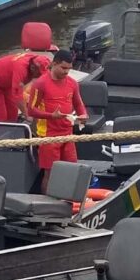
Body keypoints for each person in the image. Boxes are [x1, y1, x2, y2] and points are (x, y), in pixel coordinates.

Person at [27, 49, 88, 193]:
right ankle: (46, 205)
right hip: (48, 135)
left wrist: (83, 115)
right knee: (50, 173)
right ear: (54, 64)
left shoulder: (72, 83)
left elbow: (78, 104)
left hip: (67, 133)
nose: (67, 72)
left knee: (71, 169)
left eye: (69, 69)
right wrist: (51, 116)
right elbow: (31, 110)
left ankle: (68, 199)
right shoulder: (40, 84)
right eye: (63, 68)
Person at [0, 53, 51, 122]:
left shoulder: (34, 60)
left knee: (13, 113)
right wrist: (27, 115)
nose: (40, 76)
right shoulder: (21, 70)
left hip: (7, 83)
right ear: (33, 68)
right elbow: (17, 96)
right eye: (40, 73)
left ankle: (11, 131)